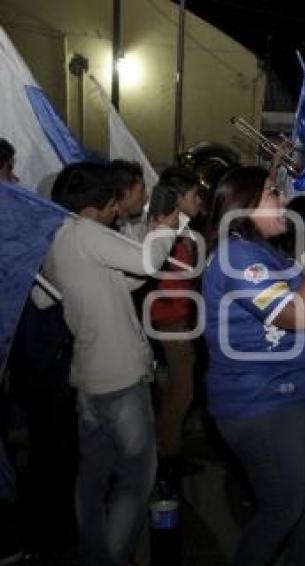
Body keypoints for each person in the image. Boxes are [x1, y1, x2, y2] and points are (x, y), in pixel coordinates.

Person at [201, 166, 305, 565]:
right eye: (272, 194)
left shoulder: (265, 250)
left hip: (299, 393)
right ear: (243, 206)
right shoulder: (237, 256)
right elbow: (296, 315)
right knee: (283, 506)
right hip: (260, 402)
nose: (283, 201)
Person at [36, 162, 180, 566]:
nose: (119, 207)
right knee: (136, 477)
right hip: (120, 379)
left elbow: (123, 280)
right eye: (114, 200)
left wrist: (149, 238)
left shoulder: (60, 238)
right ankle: (111, 558)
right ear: (97, 201)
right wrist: (165, 229)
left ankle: (93, 552)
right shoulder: (86, 233)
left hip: (88, 380)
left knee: (93, 476)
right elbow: (150, 265)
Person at [147, 166, 205, 489]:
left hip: (176, 317)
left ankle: (170, 451)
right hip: (171, 319)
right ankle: (167, 460)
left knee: (178, 390)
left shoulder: (177, 228)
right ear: (180, 198)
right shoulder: (165, 230)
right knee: (180, 392)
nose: (200, 201)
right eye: (195, 195)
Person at [111, 159, 148, 241]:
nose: (146, 196)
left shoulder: (127, 224)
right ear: (126, 192)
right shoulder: (108, 231)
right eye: (141, 191)